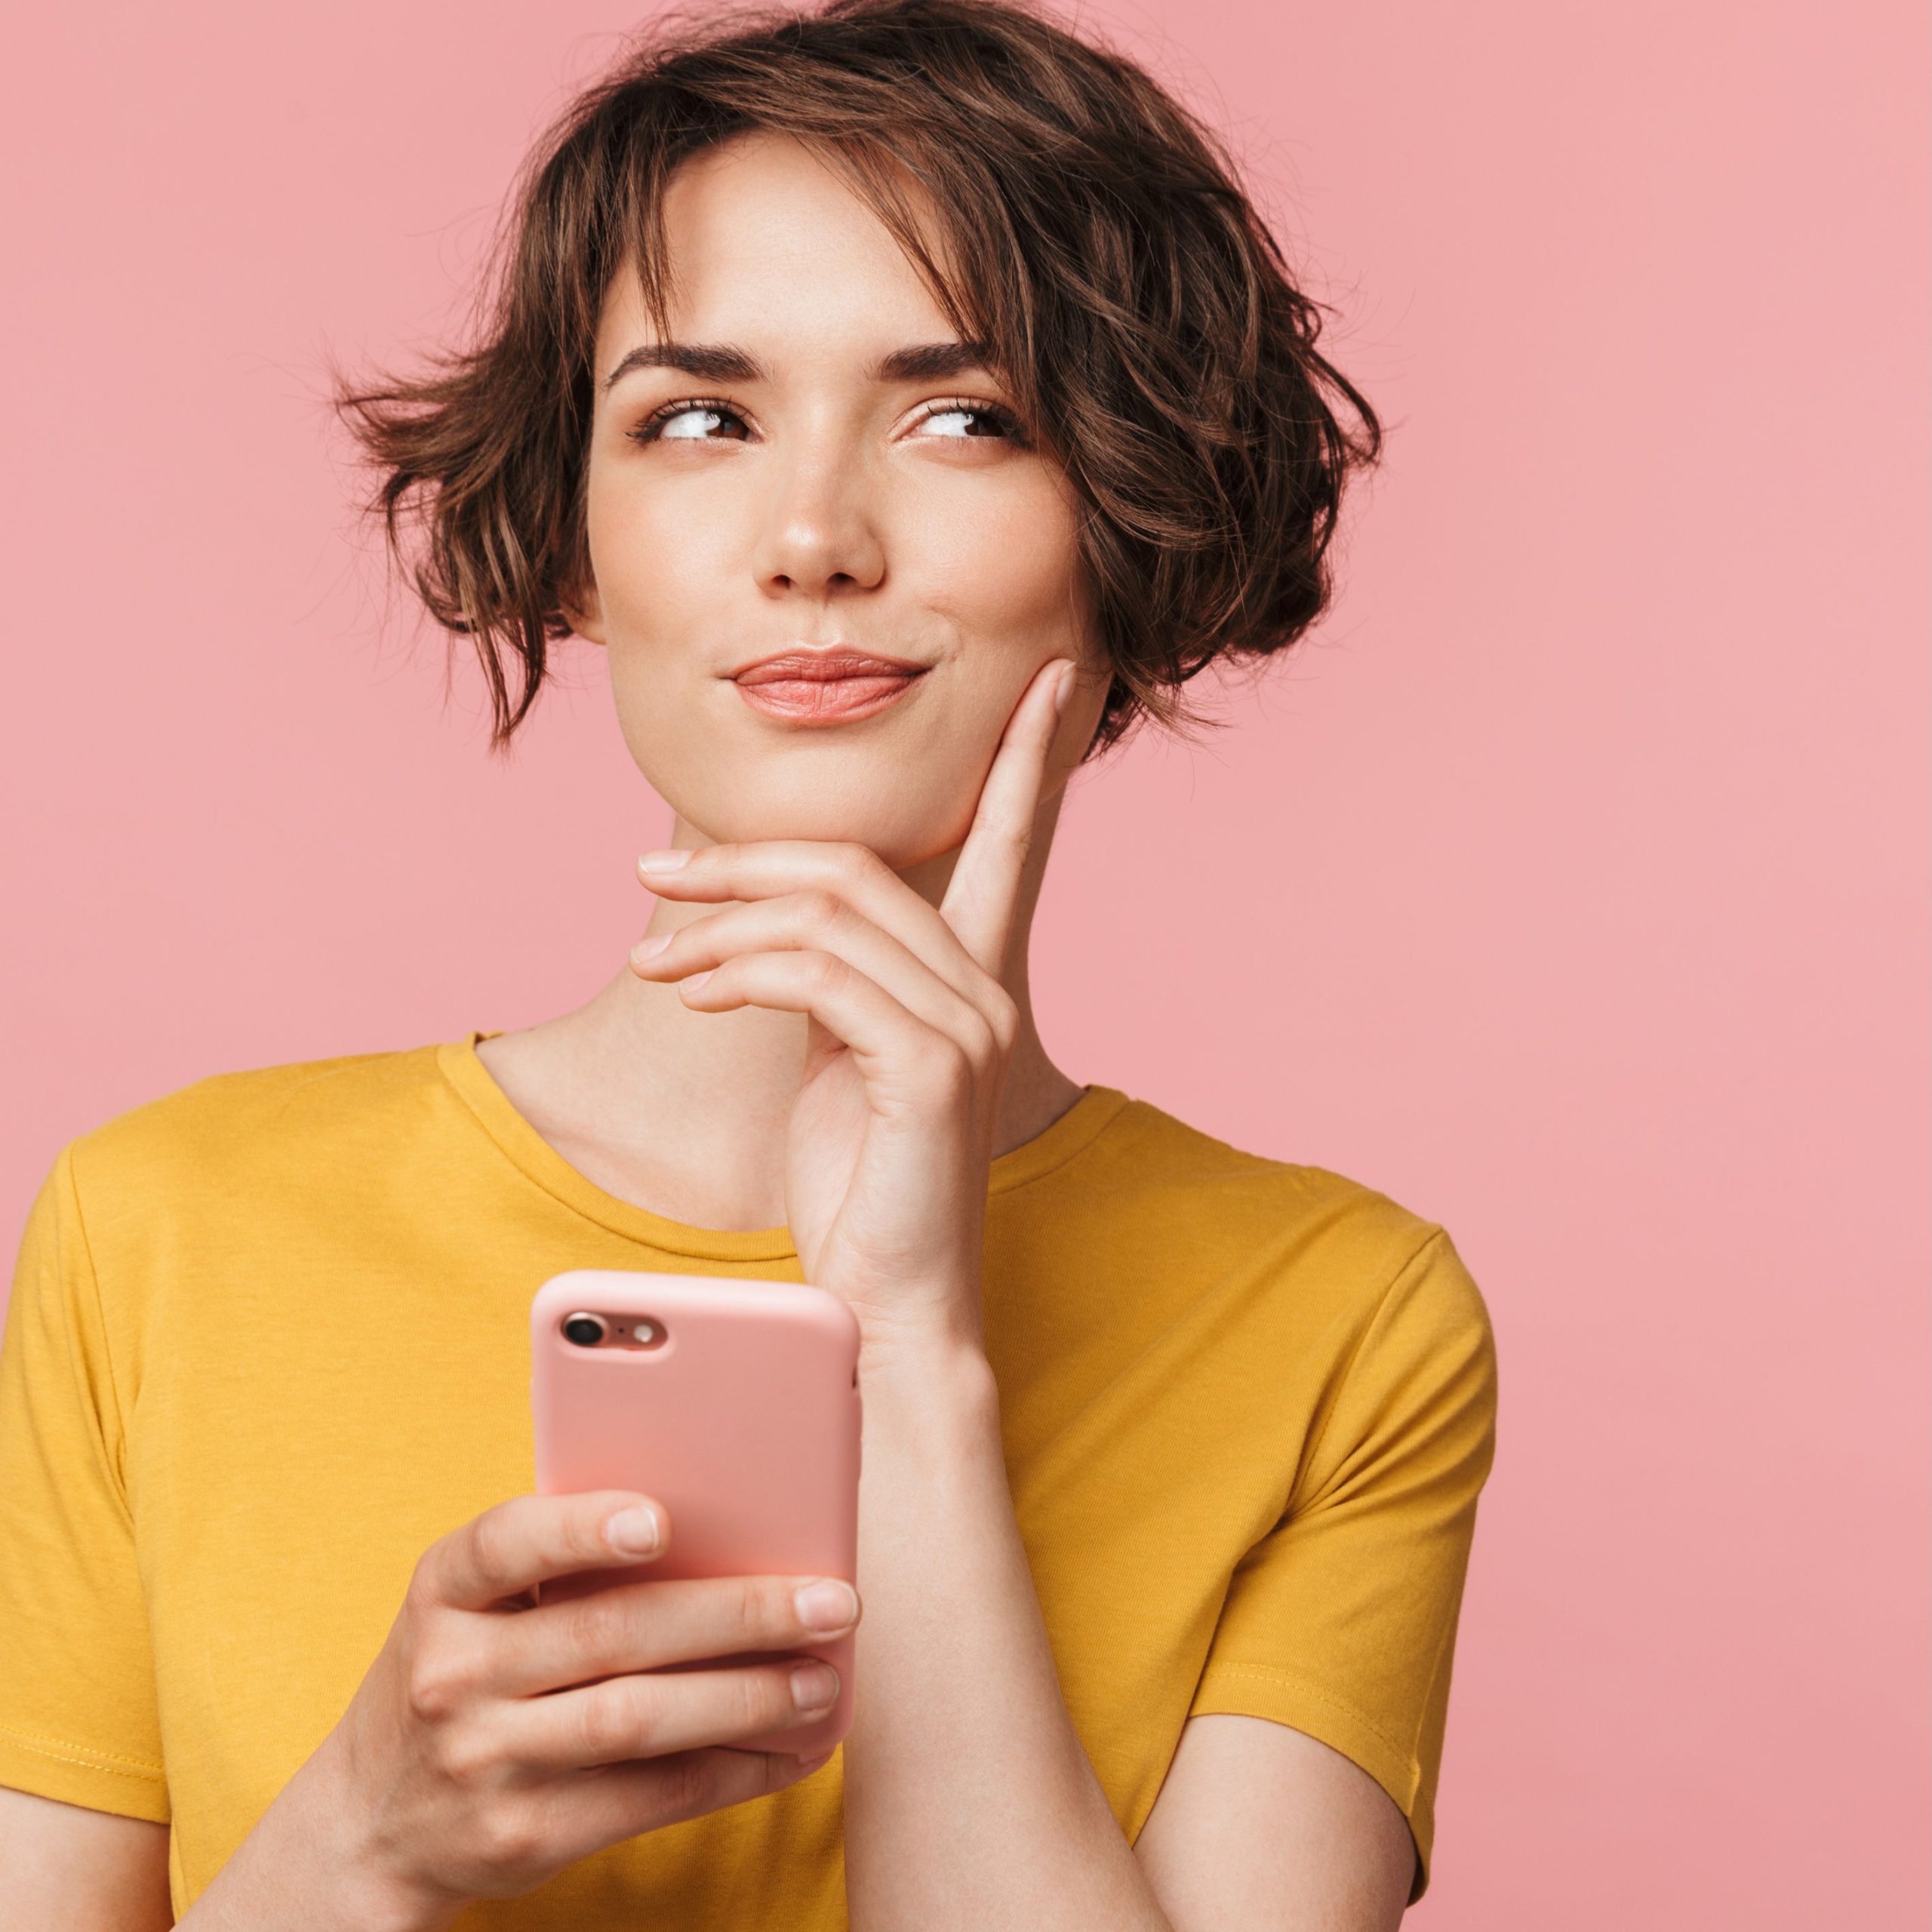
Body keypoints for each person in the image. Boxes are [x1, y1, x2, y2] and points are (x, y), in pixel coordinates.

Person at [0, 2, 1497, 1926]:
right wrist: (362, 1836)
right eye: (696, 417)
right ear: (571, 535)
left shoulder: (1343, 1326)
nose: (811, 536)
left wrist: (912, 1351)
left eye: (965, 416)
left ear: (1133, 521)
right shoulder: (164, 1228)